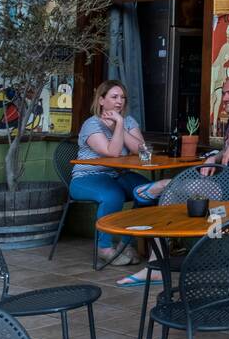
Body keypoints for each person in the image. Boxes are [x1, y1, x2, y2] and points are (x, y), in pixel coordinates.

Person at [70, 80, 164, 268]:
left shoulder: (128, 121)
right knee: (113, 195)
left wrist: (118, 124)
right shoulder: (92, 124)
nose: (119, 101)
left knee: (148, 191)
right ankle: (104, 248)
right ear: (102, 100)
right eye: (114, 97)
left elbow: (142, 151)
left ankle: (124, 243)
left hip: (117, 175)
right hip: (87, 178)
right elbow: (112, 152)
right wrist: (119, 125)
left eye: (122, 97)